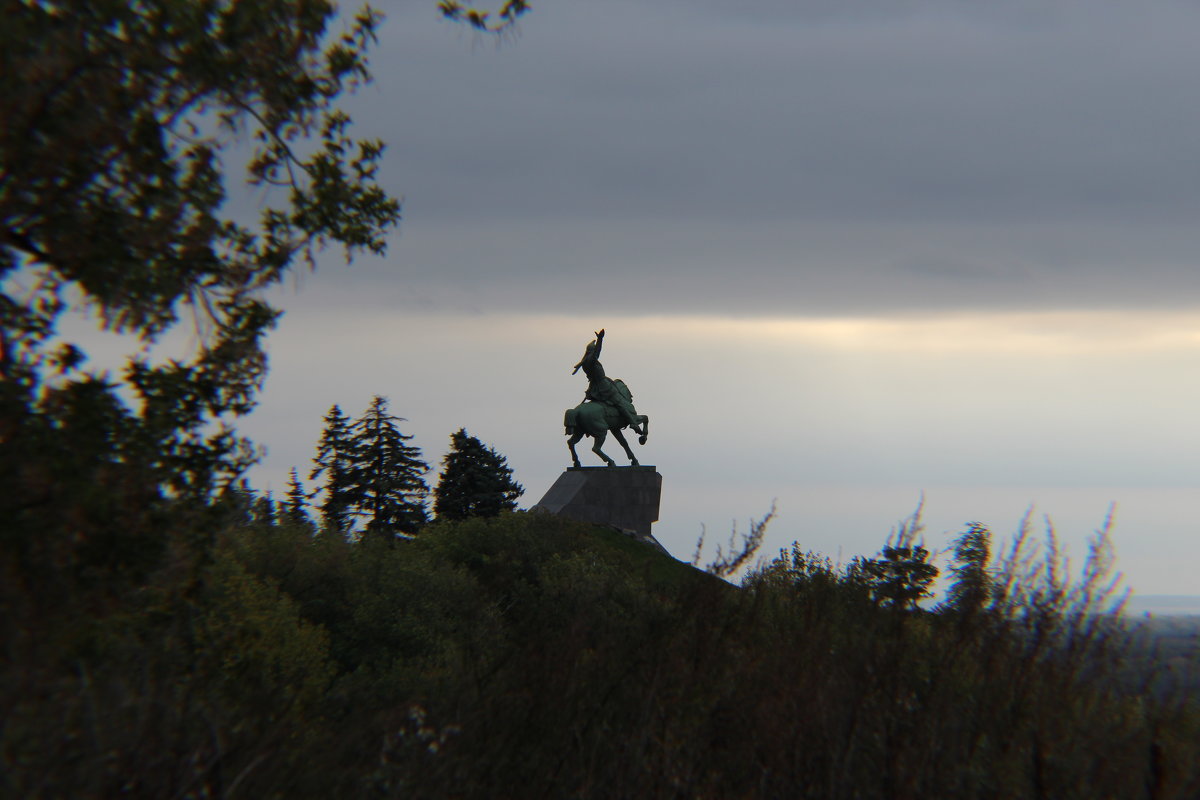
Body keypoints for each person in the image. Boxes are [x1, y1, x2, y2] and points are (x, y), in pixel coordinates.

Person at [571, 329, 645, 435]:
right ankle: (633, 423)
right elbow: (598, 352)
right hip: (604, 387)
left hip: (593, 388)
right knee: (620, 403)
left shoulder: (585, 363)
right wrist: (600, 339)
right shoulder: (591, 360)